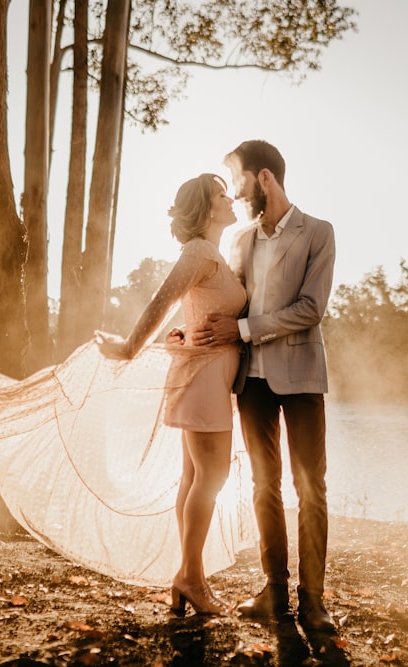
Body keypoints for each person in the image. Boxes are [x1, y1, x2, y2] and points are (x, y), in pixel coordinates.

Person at [193, 140, 337, 633]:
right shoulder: (238, 240)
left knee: (310, 488)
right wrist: (190, 327)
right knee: (262, 487)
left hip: (301, 378)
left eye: (237, 179)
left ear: (265, 179)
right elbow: (232, 303)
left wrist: (246, 330)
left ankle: (312, 599)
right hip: (250, 381)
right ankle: (274, 591)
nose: (234, 192)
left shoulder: (318, 232)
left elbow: (310, 309)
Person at [96, 173, 246, 616]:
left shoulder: (213, 254)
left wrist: (182, 334)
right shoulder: (199, 251)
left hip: (208, 376)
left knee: (193, 478)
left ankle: (189, 577)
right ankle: (190, 578)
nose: (230, 197)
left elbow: (192, 311)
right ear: (207, 208)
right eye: (222, 194)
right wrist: (128, 348)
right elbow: (162, 301)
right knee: (211, 477)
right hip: (201, 379)